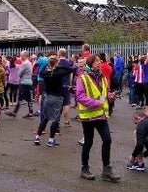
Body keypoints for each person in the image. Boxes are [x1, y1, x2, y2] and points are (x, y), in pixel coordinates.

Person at [76, 53, 120, 182]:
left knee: (107, 139)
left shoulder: (103, 78)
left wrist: (110, 97)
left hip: (100, 116)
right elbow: (80, 96)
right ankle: (84, 168)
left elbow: (103, 95)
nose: (99, 63)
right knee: (88, 142)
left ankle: (106, 170)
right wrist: (96, 103)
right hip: (88, 117)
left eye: (100, 61)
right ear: (90, 64)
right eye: (96, 62)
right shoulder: (82, 78)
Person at [34, 53, 74, 146]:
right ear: (56, 62)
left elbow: (40, 72)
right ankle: (51, 139)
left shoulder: (45, 73)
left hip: (48, 97)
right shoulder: (58, 73)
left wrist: (50, 66)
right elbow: (70, 69)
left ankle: (37, 137)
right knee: (55, 119)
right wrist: (58, 66)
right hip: (57, 98)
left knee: (46, 118)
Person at [5, 51, 34, 118]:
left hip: (24, 82)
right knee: (29, 98)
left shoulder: (25, 64)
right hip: (29, 81)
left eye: (21, 55)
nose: (20, 57)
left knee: (20, 98)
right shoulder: (29, 63)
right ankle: (30, 112)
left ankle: (14, 112)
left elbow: (19, 73)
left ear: (25, 56)